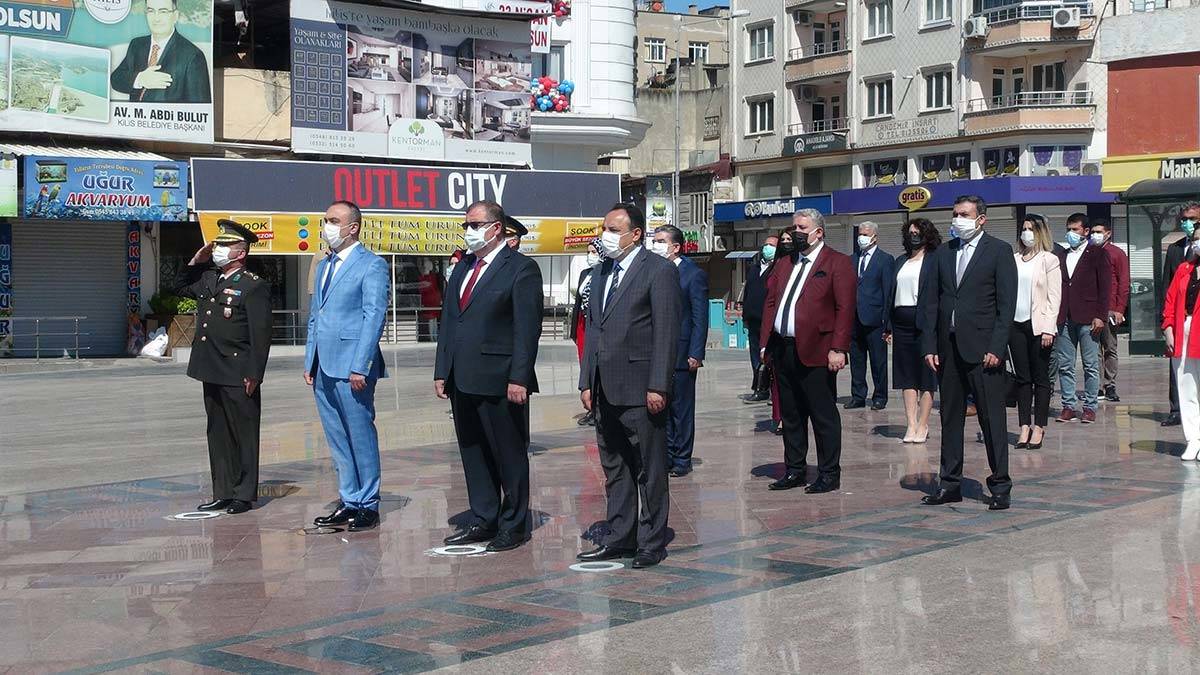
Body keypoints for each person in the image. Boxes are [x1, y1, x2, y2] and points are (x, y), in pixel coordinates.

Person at [434, 201, 544, 552]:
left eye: (476, 224)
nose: (469, 231)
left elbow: (527, 330)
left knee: (508, 454)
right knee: (473, 451)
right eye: (466, 225)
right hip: (463, 378)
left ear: (496, 228)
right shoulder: (463, 267)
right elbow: (451, 322)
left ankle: (513, 524)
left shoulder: (521, 269)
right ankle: (484, 518)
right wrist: (442, 370)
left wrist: (519, 377)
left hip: (501, 379)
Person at [577, 203, 681, 569]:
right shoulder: (601, 272)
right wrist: (586, 380)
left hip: (641, 387)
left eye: (614, 228)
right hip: (605, 388)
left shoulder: (659, 271)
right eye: (604, 227)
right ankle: (621, 536)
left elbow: (666, 332)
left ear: (636, 233)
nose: (606, 235)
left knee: (649, 468)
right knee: (615, 467)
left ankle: (651, 540)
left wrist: (658, 385)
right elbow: (593, 330)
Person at [921, 195, 1017, 511]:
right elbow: (931, 302)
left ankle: (1000, 485)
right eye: (954, 213)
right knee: (950, 419)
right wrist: (930, 346)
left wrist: (997, 347)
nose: (957, 219)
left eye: (963, 214)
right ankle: (949, 483)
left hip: (983, 350)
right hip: (948, 349)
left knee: (991, 420)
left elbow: (1006, 307)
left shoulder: (999, 251)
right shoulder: (943, 254)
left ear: (981, 219)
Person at [173, 220, 271, 514]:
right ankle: (223, 491)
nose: (217, 249)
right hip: (210, 367)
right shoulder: (208, 279)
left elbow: (261, 333)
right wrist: (195, 261)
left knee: (243, 433)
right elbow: (179, 287)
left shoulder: (253, 285)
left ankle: (243, 494)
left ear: (240, 253)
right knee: (217, 433)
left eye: (224, 246)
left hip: (238, 371)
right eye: (217, 245)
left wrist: (255, 373)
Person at [304, 201, 390, 532]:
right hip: (324, 365)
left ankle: (368, 502)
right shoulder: (325, 265)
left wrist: (361, 365)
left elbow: (373, 317)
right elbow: (316, 315)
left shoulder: (372, 265)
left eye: (333, 220)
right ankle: (349, 498)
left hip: (352, 366)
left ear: (352, 227)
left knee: (360, 434)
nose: (326, 225)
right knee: (337, 436)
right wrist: (310, 358)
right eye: (324, 219)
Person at [760, 209, 855, 494]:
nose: (797, 233)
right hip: (784, 347)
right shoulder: (786, 263)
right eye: (795, 227)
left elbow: (845, 308)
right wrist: (766, 342)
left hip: (818, 349)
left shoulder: (837, 262)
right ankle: (795, 470)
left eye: (803, 228)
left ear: (818, 232)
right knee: (791, 414)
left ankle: (828, 472)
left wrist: (839, 348)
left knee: (822, 413)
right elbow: (771, 303)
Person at [652, 225, 708, 478]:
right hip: (656, 353)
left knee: (681, 410)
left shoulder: (692, 274)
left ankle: (682, 458)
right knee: (660, 408)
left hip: (682, 353)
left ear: (675, 246)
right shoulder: (653, 270)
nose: (656, 245)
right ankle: (665, 455)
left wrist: (696, 353)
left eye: (661, 241)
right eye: (654, 240)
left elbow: (699, 317)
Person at [1010, 214, 1062, 450]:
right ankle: (1024, 426)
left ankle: (1039, 427)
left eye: (1030, 229)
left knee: (1041, 378)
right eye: (1024, 228)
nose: (1026, 233)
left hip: (1039, 326)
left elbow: (1054, 298)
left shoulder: (1049, 260)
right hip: (1015, 324)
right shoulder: (1014, 260)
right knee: (1022, 378)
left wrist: (1049, 329)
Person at [1054, 213, 1111, 425]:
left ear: (1085, 231)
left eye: (1075, 229)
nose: (1071, 233)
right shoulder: (1062, 255)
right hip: (1065, 317)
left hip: (1088, 317)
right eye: (1069, 229)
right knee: (1065, 364)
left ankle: (1089, 406)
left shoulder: (1097, 253)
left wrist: (1100, 315)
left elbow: (1105, 287)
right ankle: (1068, 405)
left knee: (1090, 364)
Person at [886, 218, 939, 444]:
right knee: (906, 377)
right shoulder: (901, 261)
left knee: (926, 377)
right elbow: (891, 294)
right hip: (901, 324)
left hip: (925, 324)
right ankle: (911, 423)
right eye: (910, 232)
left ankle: (924, 424)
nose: (913, 236)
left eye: (917, 232)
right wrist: (888, 326)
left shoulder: (934, 260)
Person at [110, 0, 212, 103]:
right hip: (135, 118)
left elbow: (200, 108)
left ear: (175, 16)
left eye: (163, 11)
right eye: (151, 11)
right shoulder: (137, 45)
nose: (156, 18)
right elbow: (116, 79)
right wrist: (140, 79)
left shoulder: (193, 56)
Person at [1162, 226, 1200, 461]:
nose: (1198, 243)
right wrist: (1168, 328)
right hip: (1183, 330)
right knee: (1186, 387)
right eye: (1196, 239)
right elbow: (1170, 299)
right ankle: (1193, 439)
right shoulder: (1184, 270)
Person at [848, 221, 895, 411]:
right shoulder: (851, 259)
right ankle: (858, 395)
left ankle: (880, 396)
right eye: (860, 233)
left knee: (878, 361)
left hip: (875, 319)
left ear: (875, 236)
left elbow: (888, 292)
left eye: (866, 234)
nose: (862, 237)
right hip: (854, 319)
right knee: (857, 361)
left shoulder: (885, 259)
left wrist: (888, 323)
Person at [1091, 219, 1129, 403]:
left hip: (1110, 309)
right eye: (1093, 232)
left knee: (1110, 348)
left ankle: (1110, 384)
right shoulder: (1089, 252)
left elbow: (1124, 283)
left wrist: (1120, 309)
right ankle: (1096, 386)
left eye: (1099, 232)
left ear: (1108, 233)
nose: (1095, 235)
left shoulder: (1117, 254)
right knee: (1094, 349)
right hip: (1092, 308)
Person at [739, 233, 778, 402]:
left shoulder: (777, 269)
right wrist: (745, 315)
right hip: (753, 320)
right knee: (755, 357)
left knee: (770, 357)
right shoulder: (755, 268)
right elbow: (747, 293)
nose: (767, 248)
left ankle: (774, 392)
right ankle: (760, 388)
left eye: (772, 245)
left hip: (768, 323)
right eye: (766, 245)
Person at [570, 240, 604, 426]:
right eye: (589, 252)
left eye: (594, 252)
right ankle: (590, 407)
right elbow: (578, 301)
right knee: (585, 366)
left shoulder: (606, 273)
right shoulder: (586, 274)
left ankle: (599, 408)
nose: (591, 256)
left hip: (596, 325)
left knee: (597, 366)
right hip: (583, 324)